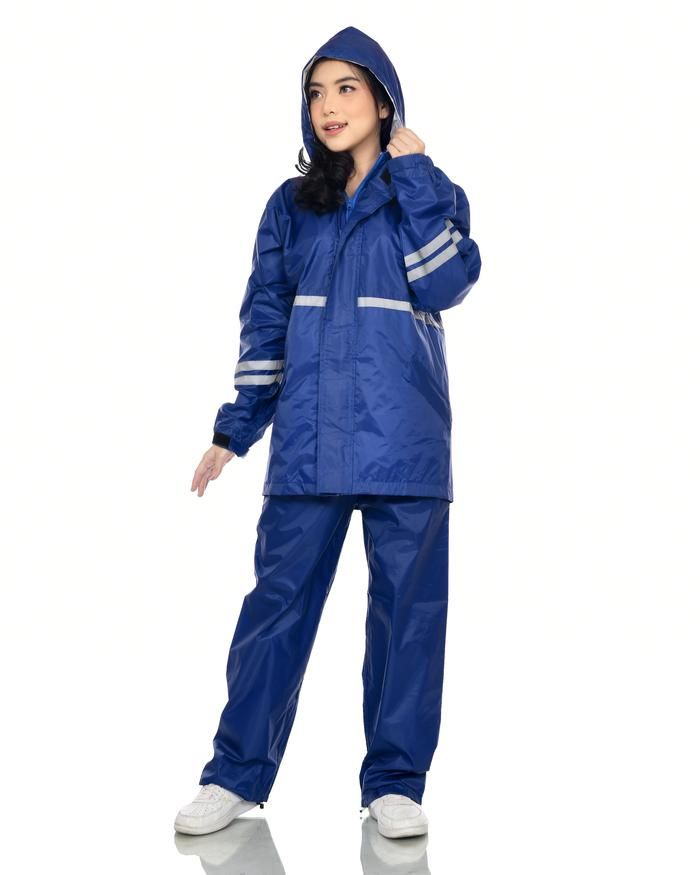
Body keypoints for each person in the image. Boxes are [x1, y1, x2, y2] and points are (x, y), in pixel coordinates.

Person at [174, 25, 482, 840]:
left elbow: (446, 283)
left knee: (408, 617)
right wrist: (236, 428)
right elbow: (265, 321)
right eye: (316, 92)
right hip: (309, 443)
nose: (328, 107)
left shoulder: (431, 192)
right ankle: (234, 774)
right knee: (274, 610)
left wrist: (415, 176)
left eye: (347, 88)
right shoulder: (291, 207)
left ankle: (395, 783)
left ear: (384, 101)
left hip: (405, 441)